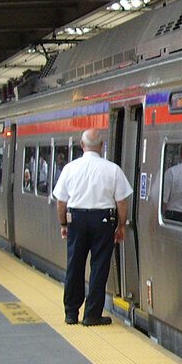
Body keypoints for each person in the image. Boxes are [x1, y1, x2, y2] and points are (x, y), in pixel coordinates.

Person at [51, 129, 133, 326]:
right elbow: (121, 203)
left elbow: (61, 201)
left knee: (75, 265)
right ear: (102, 146)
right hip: (103, 220)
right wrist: (121, 226)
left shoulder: (70, 168)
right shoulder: (113, 169)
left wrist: (63, 224)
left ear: (82, 145)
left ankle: (71, 313)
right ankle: (92, 315)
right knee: (99, 267)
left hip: (76, 219)